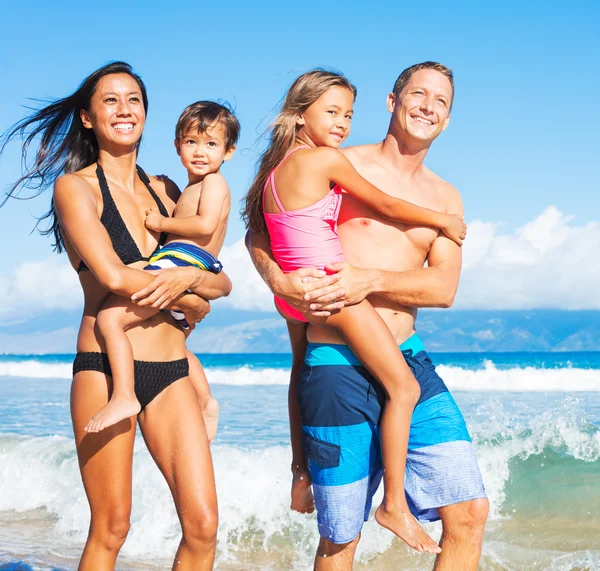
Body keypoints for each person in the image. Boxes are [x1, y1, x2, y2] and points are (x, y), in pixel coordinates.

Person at [246, 62, 489, 570]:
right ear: (392, 101)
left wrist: (369, 279)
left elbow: (443, 289)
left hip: (409, 358)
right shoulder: (335, 162)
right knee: (341, 536)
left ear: (448, 117)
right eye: (418, 94)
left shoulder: (447, 198)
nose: (428, 106)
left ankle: (396, 506)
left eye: (440, 101)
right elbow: (260, 232)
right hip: (336, 365)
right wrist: (279, 281)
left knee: (469, 511)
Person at [1, 61, 230, 570]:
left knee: (203, 527)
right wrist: (189, 293)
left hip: (172, 373)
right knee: (112, 526)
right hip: (105, 370)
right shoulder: (75, 188)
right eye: (110, 101)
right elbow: (113, 277)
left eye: (134, 100)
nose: (124, 110)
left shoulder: (169, 191)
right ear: (87, 117)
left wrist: (192, 287)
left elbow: (219, 280)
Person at [85, 100, 239, 434]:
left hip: (185, 259)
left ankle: (125, 395)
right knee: (180, 343)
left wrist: (161, 221)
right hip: (189, 263)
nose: (200, 152)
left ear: (228, 152)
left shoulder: (213, 184)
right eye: (191, 142)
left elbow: (204, 224)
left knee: (110, 319)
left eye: (211, 144)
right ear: (177, 146)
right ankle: (206, 398)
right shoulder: (188, 187)